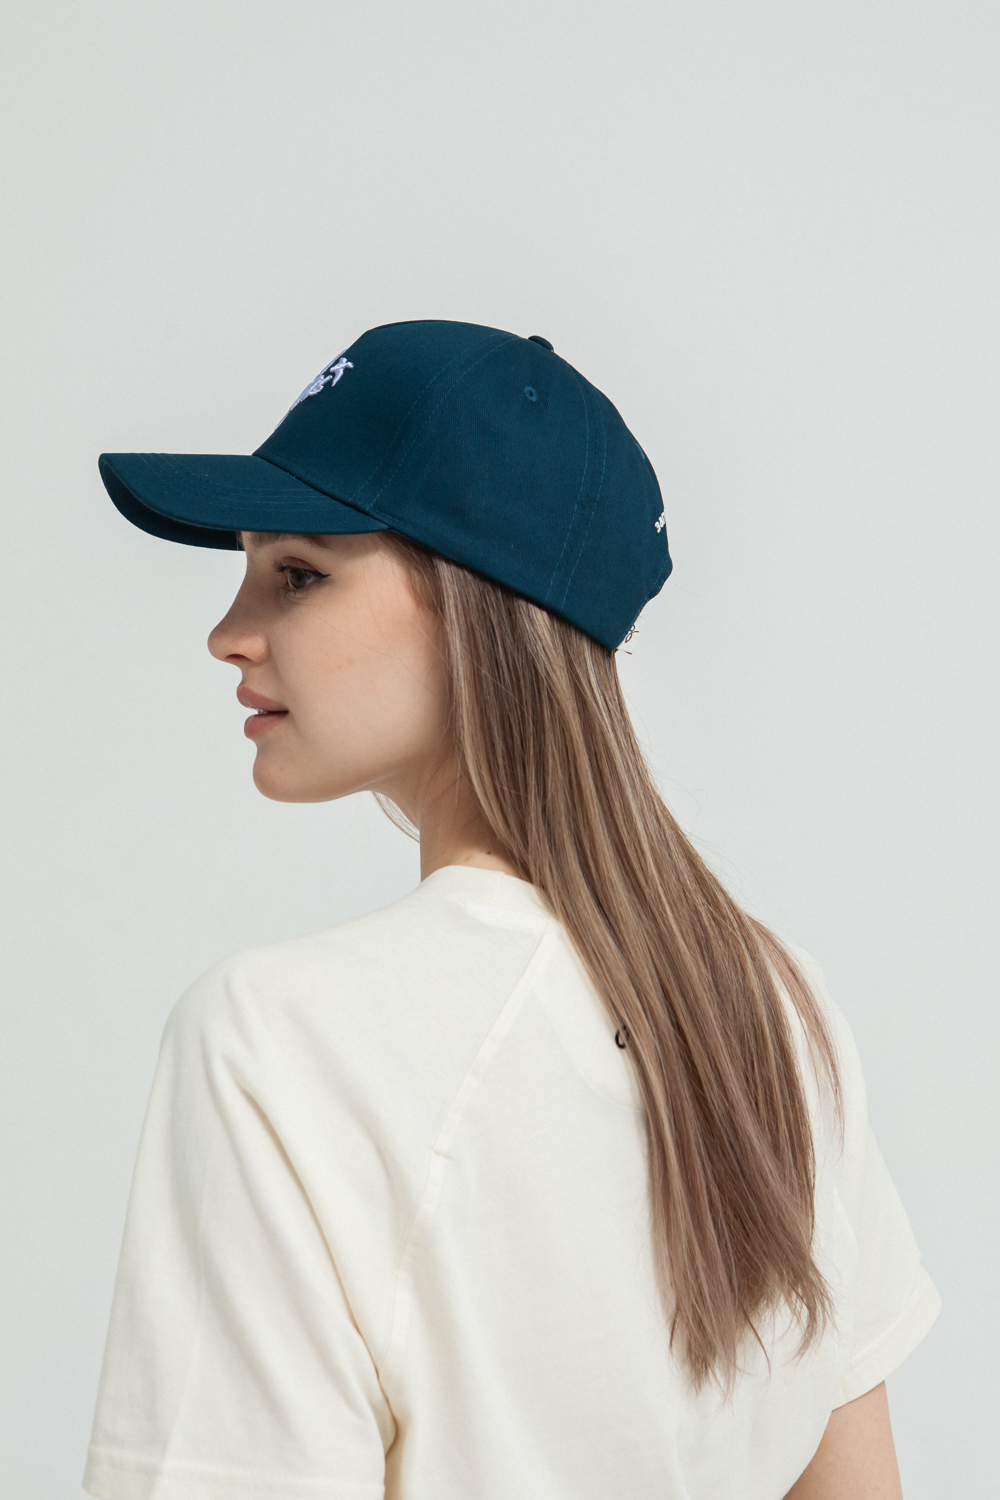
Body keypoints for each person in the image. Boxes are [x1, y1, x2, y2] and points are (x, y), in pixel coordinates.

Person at [85, 320, 939, 1500]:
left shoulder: (276, 1040)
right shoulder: (773, 1007)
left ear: (473, 603)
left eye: (298, 574)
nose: (228, 635)